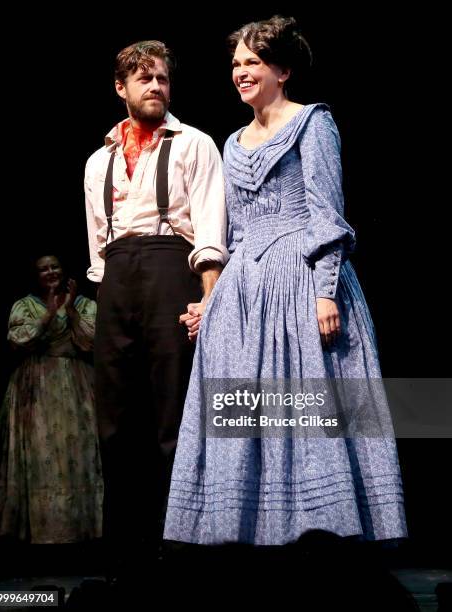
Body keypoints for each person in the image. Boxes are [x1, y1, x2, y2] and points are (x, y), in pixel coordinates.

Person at [165, 16, 407, 545]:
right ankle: (246, 530)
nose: (241, 72)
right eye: (235, 64)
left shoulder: (313, 123)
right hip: (245, 291)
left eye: (252, 62)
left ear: (283, 69)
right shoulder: (232, 142)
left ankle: (321, 531)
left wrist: (325, 289)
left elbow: (327, 212)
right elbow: (235, 230)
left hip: (301, 277)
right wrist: (213, 300)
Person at [84, 40, 227, 559]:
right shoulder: (97, 161)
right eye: (144, 79)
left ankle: (182, 546)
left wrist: (208, 299)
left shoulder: (195, 143)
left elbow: (211, 227)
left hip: (174, 269)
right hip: (118, 279)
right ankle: (126, 547)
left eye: (162, 79)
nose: (156, 87)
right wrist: (110, 303)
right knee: (116, 418)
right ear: (121, 88)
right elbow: (97, 243)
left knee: (174, 411)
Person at [0, 255, 103, 543]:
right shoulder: (25, 305)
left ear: (64, 270)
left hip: (76, 384)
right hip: (37, 385)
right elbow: (18, 340)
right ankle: (45, 534)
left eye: (54, 267)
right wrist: (47, 316)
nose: (50, 272)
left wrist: (69, 311)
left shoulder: (84, 305)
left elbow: (94, 341)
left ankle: (82, 531)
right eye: (43, 269)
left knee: (77, 453)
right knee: (41, 453)